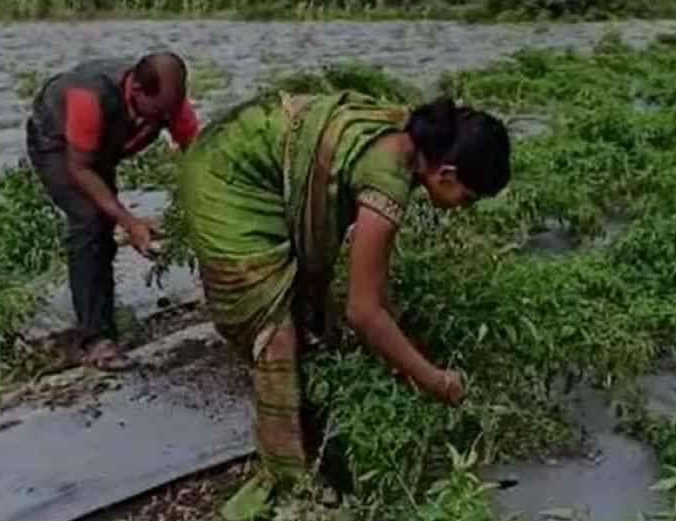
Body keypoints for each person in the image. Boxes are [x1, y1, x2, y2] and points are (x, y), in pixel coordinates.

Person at [177, 90, 511, 484]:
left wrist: (397, 348)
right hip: (224, 176)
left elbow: (372, 291)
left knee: (307, 313)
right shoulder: (388, 174)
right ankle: (290, 480)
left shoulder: (405, 134)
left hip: (243, 147)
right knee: (273, 330)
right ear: (446, 175)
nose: (462, 208)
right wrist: (436, 381)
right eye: (467, 199)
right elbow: (363, 311)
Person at [26, 53, 200, 371]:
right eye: (159, 113)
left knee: (104, 224)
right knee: (91, 221)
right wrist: (129, 221)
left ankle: (102, 316)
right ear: (134, 88)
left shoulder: (169, 102)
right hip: (59, 143)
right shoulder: (88, 97)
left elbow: (198, 152)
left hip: (102, 145)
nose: (164, 120)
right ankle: (96, 341)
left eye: (169, 113)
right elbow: (81, 169)